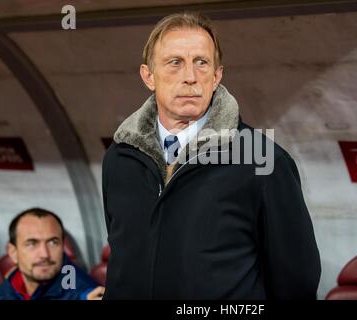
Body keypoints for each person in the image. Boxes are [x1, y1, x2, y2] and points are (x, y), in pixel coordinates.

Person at [102, 11, 321, 299]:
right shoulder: (120, 158)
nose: (190, 77)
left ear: (217, 76)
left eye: (201, 63)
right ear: (148, 76)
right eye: (175, 63)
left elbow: (296, 280)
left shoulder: (262, 160)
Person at [0, 208, 105, 300]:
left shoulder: (84, 292)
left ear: (62, 246)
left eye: (53, 242)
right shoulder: (10, 284)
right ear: (13, 252)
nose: (45, 254)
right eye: (32, 244)